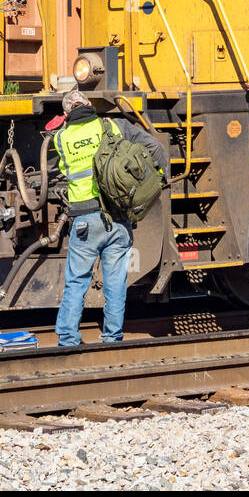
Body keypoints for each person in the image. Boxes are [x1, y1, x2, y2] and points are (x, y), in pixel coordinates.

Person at [52, 90, 168, 347]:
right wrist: (160, 178)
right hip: (117, 220)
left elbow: (64, 170)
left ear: (66, 113)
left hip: (84, 220)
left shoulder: (61, 138)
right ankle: (112, 337)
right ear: (89, 104)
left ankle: (68, 337)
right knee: (115, 283)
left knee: (76, 281)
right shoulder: (112, 125)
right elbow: (154, 147)